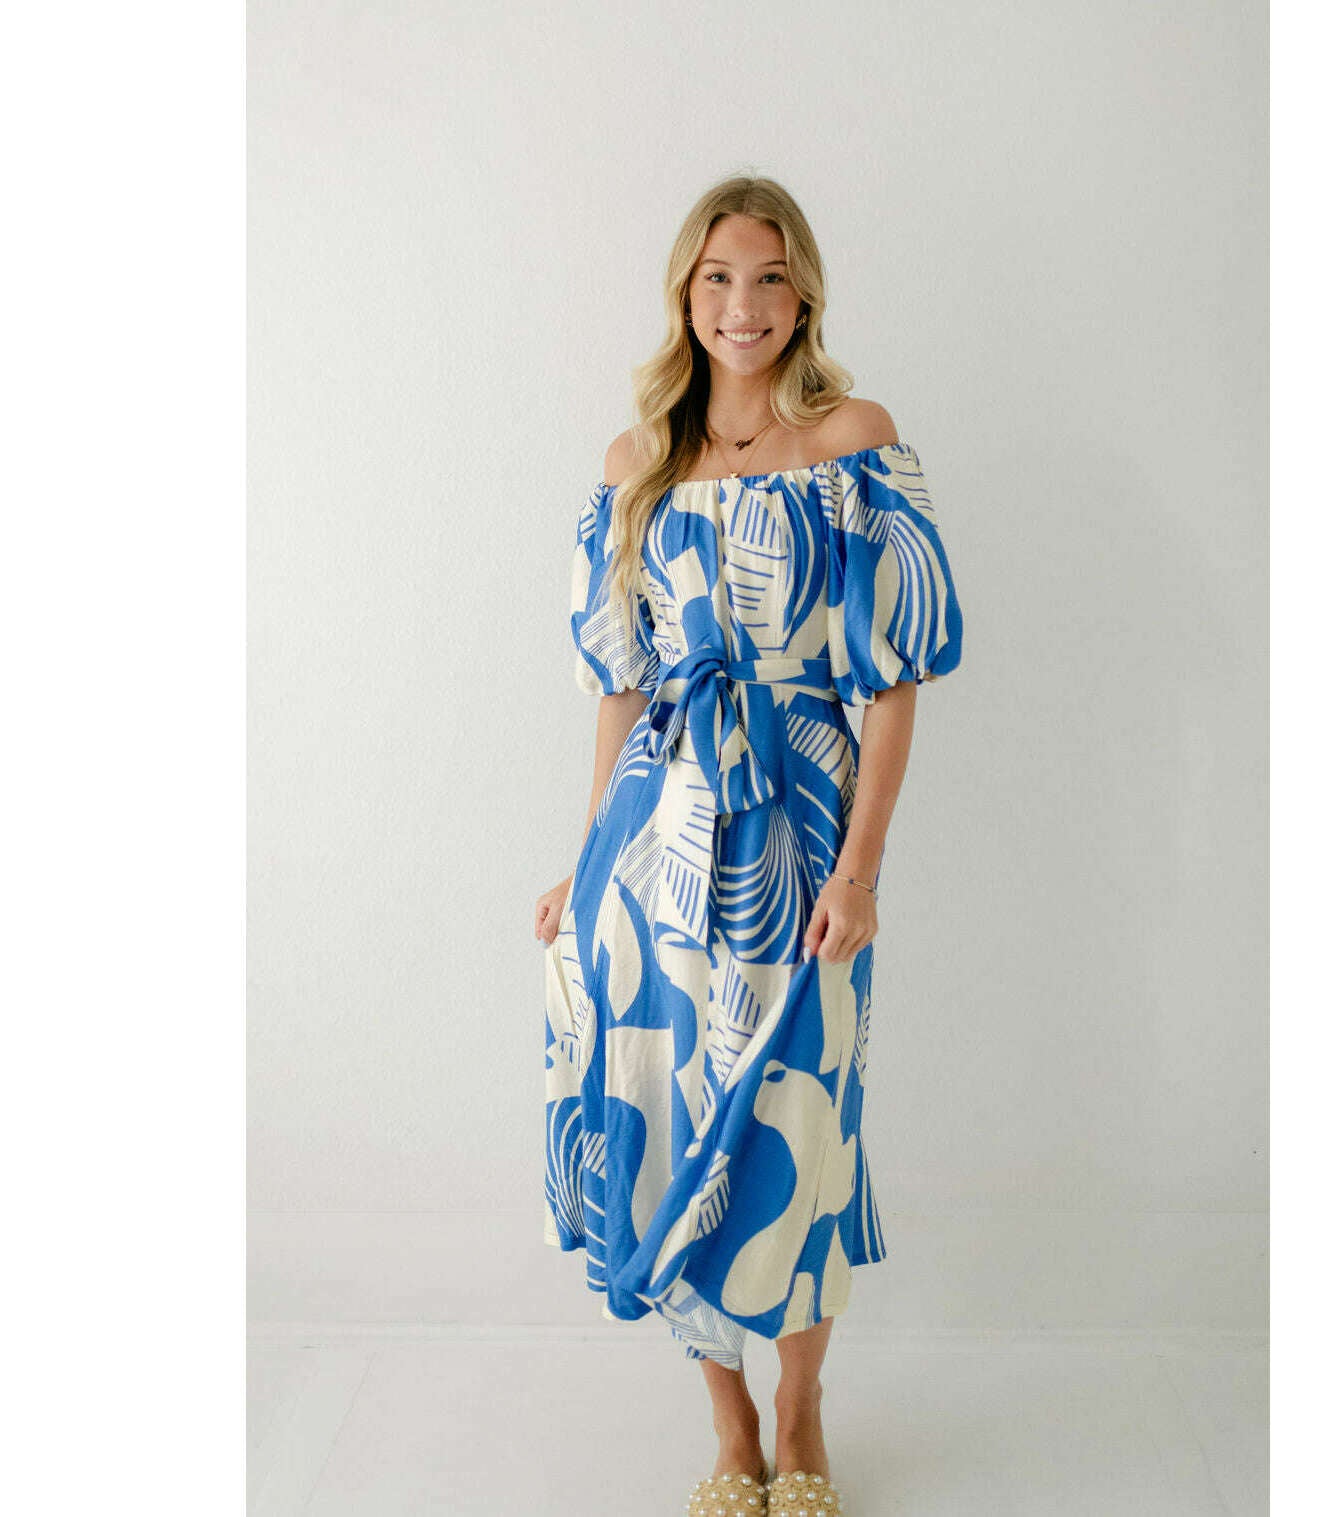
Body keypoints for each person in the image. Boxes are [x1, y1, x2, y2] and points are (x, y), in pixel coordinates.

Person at [534, 174, 964, 1516]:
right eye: (717, 277)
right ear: (684, 294)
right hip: (656, 844)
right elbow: (621, 685)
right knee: (669, 1117)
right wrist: (586, 856)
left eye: (769, 276)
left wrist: (861, 870)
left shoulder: (852, 443)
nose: (743, 304)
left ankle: (799, 1406)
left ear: (804, 293)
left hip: (801, 830)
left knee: (801, 1119)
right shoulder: (636, 464)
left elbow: (891, 680)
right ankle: (727, 1421)